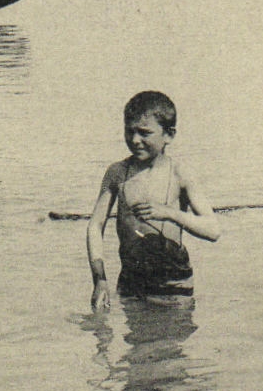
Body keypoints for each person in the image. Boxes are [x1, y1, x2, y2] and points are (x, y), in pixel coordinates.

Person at [86, 91, 221, 307]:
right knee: (134, 337)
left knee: (171, 339)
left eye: (144, 133)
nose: (135, 140)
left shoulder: (179, 173)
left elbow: (213, 230)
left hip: (174, 284)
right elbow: (95, 225)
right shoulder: (118, 173)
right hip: (131, 280)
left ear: (169, 135)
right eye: (129, 132)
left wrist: (169, 213)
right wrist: (99, 279)